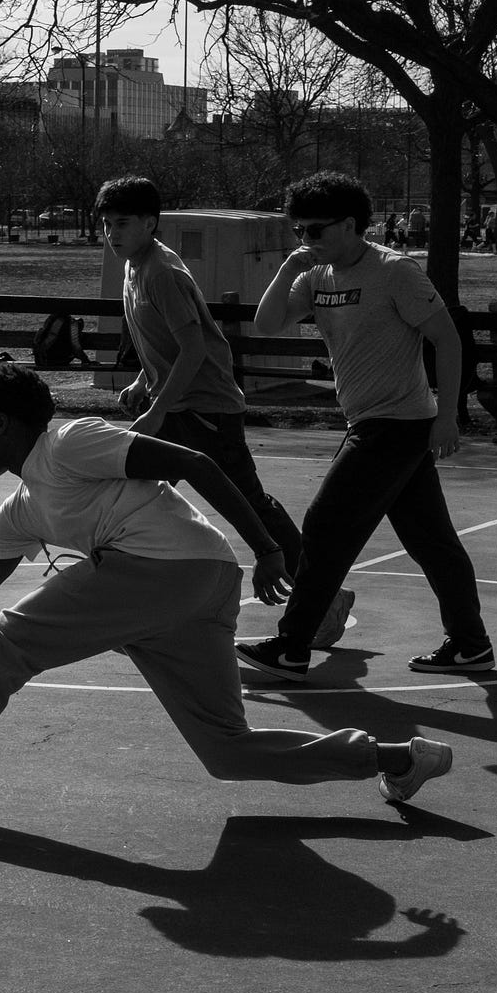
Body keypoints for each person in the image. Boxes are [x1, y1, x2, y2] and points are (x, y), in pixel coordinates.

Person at [0, 364, 452, 830]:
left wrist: (266, 547)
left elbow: (197, 463)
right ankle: (396, 757)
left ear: (1, 423)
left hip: (167, 571)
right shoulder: (22, 510)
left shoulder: (68, 444)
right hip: (199, 583)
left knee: (9, 637)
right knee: (227, 750)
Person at [233, 170, 494, 681]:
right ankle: (471, 645)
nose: (305, 240)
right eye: (298, 230)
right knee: (432, 542)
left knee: (326, 523)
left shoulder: (394, 272)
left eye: (315, 230)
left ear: (351, 225)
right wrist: (289, 267)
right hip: (371, 421)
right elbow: (265, 324)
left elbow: (448, 339)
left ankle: (292, 646)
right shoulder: (316, 275)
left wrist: (447, 416)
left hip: (394, 425)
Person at [91, 174, 350, 646]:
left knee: (249, 505)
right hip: (176, 403)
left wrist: (156, 410)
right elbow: (163, 346)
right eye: (106, 223)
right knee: (141, 493)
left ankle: (324, 597)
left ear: (151, 223)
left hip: (206, 409)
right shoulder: (135, 266)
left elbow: (194, 351)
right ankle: (146, 591)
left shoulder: (162, 273)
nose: (113, 233)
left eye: (123, 223)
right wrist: (141, 381)